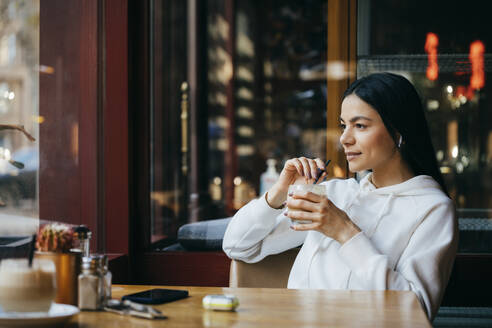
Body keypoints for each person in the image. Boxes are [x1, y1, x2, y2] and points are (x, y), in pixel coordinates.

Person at [222, 72, 458, 321]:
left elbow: (414, 314)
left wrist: (344, 232)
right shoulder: (333, 194)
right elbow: (237, 246)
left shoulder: (433, 210)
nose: (344, 138)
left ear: (398, 133)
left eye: (360, 126)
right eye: (344, 125)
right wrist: (278, 193)